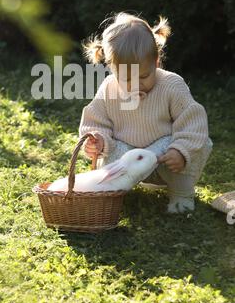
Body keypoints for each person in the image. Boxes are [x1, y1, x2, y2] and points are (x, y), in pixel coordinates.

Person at [79, 12, 213, 213]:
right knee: (110, 153)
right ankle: (110, 193)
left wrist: (180, 151)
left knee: (189, 144)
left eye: (143, 76)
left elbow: (192, 123)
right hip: (128, 159)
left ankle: (181, 196)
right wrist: (98, 140)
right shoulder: (109, 88)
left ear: (156, 61)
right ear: (111, 69)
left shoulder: (171, 85)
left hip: (165, 160)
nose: (134, 84)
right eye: (126, 78)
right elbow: (96, 121)